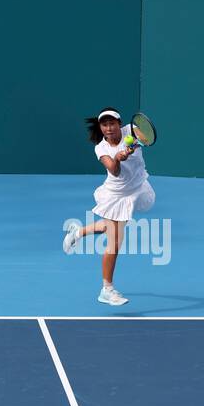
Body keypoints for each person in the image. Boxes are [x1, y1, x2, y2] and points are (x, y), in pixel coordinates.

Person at [63, 107, 156, 306]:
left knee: (114, 227)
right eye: (104, 125)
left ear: (119, 124)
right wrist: (119, 158)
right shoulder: (101, 148)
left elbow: (144, 138)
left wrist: (135, 145)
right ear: (100, 127)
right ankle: (107, 289)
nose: (108, 128)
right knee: (115, 241)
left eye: (112, 123)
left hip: (139, 186)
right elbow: (114, 171)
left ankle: (79, 232)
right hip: (117, 195)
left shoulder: (131, 130)